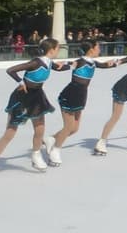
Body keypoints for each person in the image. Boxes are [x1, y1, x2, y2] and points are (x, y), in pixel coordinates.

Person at [0, 37, 70, 180]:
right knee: (10, 133)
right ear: (52, 50)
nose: (59, 51)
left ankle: (36, 155)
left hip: (37, 97)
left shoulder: (49, 63)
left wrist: (72, 64)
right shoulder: (36, 62)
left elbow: (61, 68)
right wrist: (20, 82)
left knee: (40, 130)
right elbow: (11, 70)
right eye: (58, 48)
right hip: (22, 97)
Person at [47, 37, 121, 166]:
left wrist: (116, 63)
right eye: (98, 47)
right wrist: (58, 63)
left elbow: (104, 65)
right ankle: (56, 150)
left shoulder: (93, 62)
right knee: (68, 127)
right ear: (91, 49)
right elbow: (65, 65)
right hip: (70, 95)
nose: (99, 49)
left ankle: (51, 139)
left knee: (74, 128)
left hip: (81, 96)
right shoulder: (80, 62)